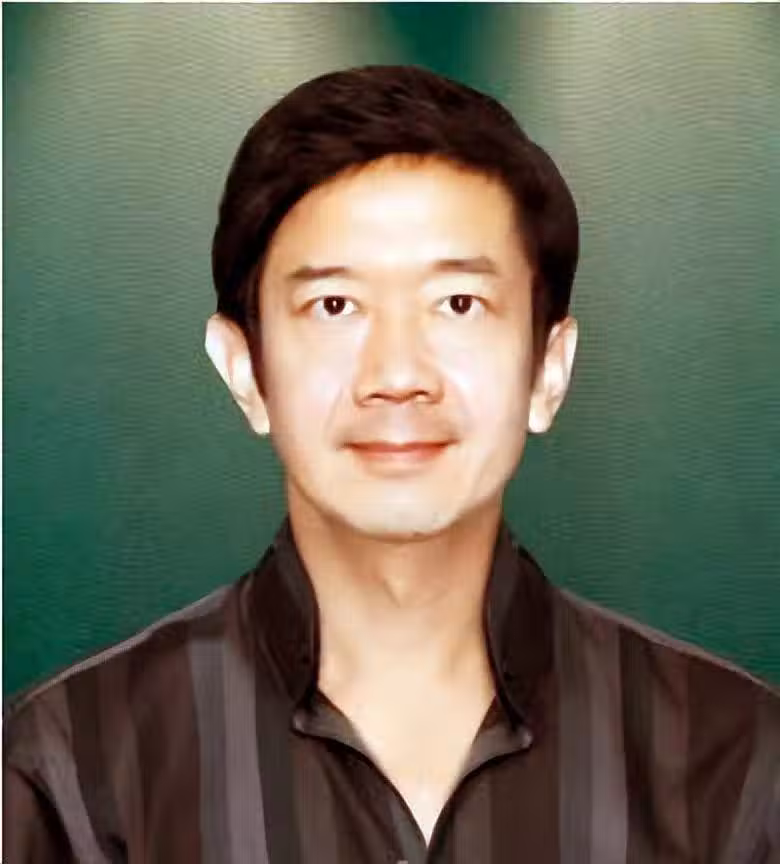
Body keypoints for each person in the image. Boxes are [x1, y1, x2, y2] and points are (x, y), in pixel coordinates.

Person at [4, 64, 779, 864]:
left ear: (549, 369)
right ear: (244, 371)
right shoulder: (69, 772)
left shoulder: (733, 760)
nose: (399, 373)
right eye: (335, 306)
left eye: (459, 304)